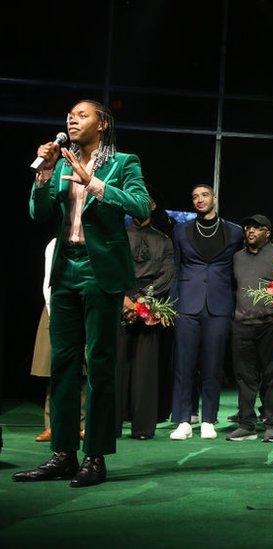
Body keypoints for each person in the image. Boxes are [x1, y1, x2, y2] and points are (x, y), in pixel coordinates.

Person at [15, 99, 150, 487]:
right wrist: (42, 175)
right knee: (63, 365)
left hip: (100, 269)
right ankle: (63, 454)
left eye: (82, 115)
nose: (72, 120)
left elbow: (140, 205)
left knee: (101, 362)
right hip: (66, 268)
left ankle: (95, 456)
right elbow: (38, 214)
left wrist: (95, 184)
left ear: (102, 123)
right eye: (69, 116)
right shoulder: (59, 162)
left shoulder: (124, 162)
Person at [169, 184, 243, 440]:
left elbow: (238, 273)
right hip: (187, 305)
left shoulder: (235, 232)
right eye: (195, 197)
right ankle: (182, 420)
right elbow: (176, 269)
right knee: (184, 364)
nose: (199, 200)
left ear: (214, 198)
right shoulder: (181, 231)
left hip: (219, 305)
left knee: (213, 365)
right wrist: (172, 304)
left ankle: (208, 419)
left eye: (204, 195)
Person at [224, 214, 273, 443]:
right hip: (242, 324)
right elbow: (234, 288)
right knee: (244, 376)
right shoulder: (237, 258)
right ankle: (247, 424)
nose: (251, 231)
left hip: (270, 323)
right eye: (248, 227)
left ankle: (272, 424)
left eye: (257, 227)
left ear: (267, 233)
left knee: (272, 374)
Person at [116, 195, 174, 440]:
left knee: (146, 368)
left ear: (152, 205)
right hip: (120, 303)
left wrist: (143, 299)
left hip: (150, 305)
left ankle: (143, 427)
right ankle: (111, 425)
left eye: (145, 200)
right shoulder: (118, 235)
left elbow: (168, 273)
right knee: (115, 366)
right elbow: (112, 268)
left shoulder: (164, 240)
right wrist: (126, 299)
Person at [32, 239, 87, 443]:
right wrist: (54, 311)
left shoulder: (93, 238)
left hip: (83, 307)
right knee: (55, 370)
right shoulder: (55, 243)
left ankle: (82, 424)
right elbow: (49, 280)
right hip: (56, 308)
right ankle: (52, 425)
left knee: (84, 371)